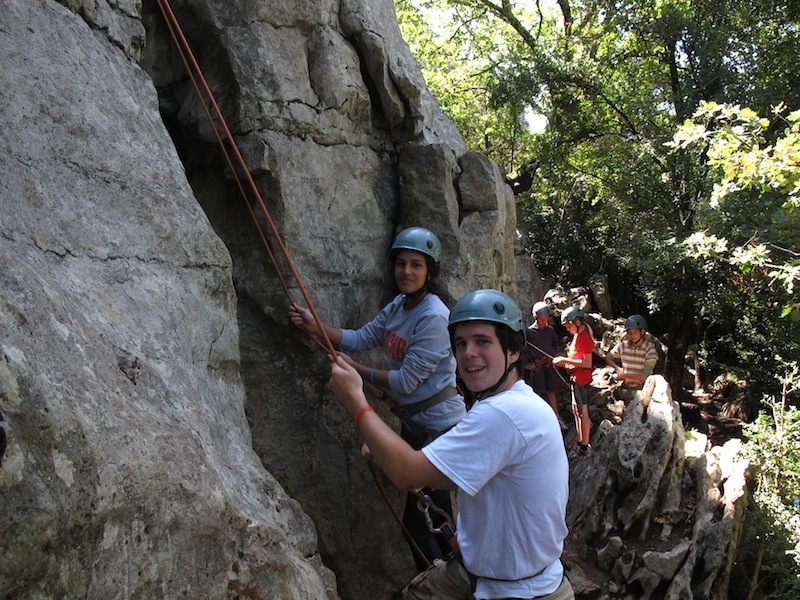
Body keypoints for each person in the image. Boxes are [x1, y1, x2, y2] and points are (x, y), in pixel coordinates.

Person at [328, 289, 574, 600]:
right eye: (460, 344)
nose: (468, 352)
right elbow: (449, 471)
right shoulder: (517, 402)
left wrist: (355, 400)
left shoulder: (502, 414)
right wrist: (386, 451)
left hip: (518, 589)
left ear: (512, 351)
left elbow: (409, 474)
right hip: (490, 572)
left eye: (482, 341)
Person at [289, 226, 466, 572]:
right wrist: (316, 326)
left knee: (425, 519)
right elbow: (360, 336)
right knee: (435, 516)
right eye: (401, 264)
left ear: (430, 271)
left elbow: (405, 383)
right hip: (418, 428)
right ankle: (453, 580)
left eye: (416, 264)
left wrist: (356, 371)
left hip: (441, 428)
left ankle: (443, 586)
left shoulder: (432, 317)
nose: (407, 272)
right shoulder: (400, 305)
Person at [552, 306, 594, 458]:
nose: (567, 329)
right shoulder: (577, 335)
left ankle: (583, 447)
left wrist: (564, 360)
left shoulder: (585, 338)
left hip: (581, 379)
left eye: (568, 326)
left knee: (582, 413)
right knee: (577, 412)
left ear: (577, 322)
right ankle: (579, 441)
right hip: (575, 379)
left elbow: (587, 363)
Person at [524, 301, 563, 423]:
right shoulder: (529, 332)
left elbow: (555, 344)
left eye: (546, 318)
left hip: (548, 365)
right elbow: (524, 349)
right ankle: (540, 420)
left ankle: (556, 417)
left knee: (551, 390)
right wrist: (528, 364)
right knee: (538, 392)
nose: (544, 321)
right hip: (537, 367)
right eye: (542, 319)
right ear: (535, 318)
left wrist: (551, 356)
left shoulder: (550, 330)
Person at [604, 314, 658, 395]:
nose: (632, 335)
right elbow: (608, 358)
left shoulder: (649, 350)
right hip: (626, 389)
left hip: (643, 391)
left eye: (635, 332)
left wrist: (624, 374)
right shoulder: (622, 346)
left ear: (642, 332)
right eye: (630, 333)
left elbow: (645, 376)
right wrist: (618, 369)